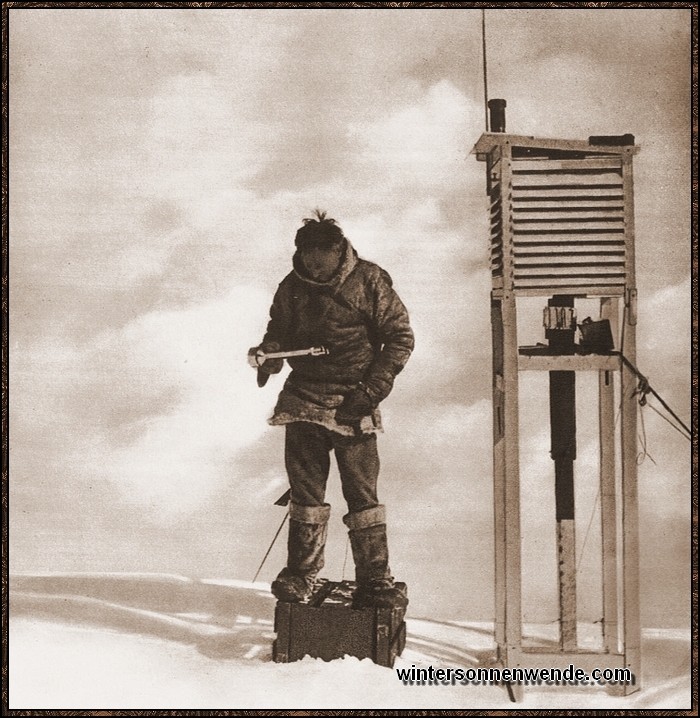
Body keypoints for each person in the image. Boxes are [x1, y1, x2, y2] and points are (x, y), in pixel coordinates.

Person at [253, 210, 414, 609]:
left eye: (321, 257)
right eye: (308, 257)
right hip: (303, 398)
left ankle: (375, 581)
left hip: (353, 397)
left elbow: (399, 338)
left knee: (361, 492)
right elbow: (279, 332)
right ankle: (301, 574)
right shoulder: (291, 286)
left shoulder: (370, 280)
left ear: (338, 249)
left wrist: (370, 391)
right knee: (306, 490)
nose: (314, 266)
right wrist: (271, 353)